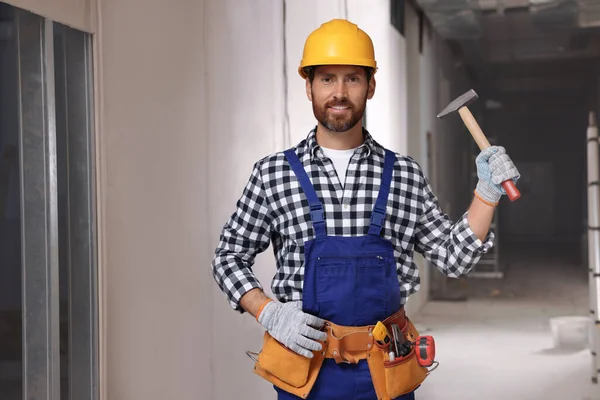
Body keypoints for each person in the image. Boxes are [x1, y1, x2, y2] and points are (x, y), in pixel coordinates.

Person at [211, 19, 519, 400]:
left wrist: (486, 193)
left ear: (370, 86)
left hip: (387, 371)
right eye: (326, 79)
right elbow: (228, 257)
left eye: (352, 79)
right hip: (303, 372)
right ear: (308, 86)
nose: (339, 92)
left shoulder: (404, 174)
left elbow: (455, 258)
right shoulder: (274, 173)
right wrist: (269, 312)